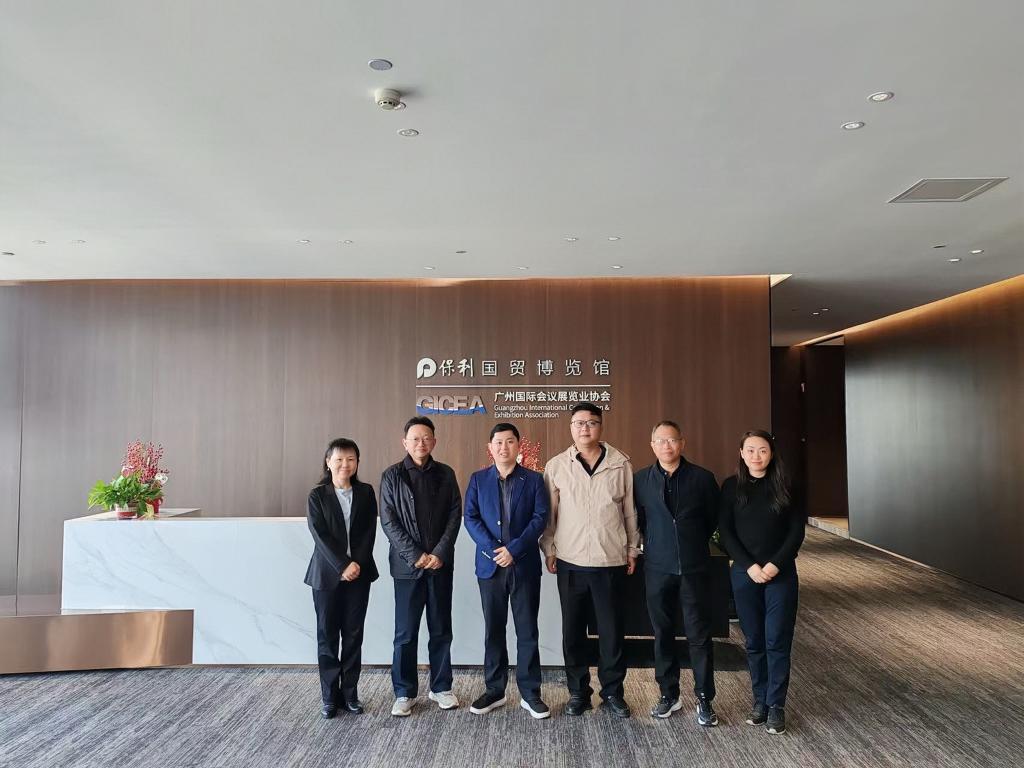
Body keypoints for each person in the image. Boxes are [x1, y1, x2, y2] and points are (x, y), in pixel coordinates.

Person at [540, 402, 639, 719]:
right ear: (571, 427)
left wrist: (632, 549)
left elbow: (630, 511)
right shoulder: (557, 466)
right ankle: (578, 692)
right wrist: (549, 549)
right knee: (573, 632)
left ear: (601, 427)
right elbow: (550, 515)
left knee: (612, 632)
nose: (585, 428)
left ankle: (612, 693)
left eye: (592, 422)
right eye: (579, 423)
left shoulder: (620, 464)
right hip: (570, 561)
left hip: (610, 560)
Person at [718, 429, 805, 735]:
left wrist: (773, 565)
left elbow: (796, 532)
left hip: (781, 574)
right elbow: (726, 532)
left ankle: (776, 705)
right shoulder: (731, 487)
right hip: (745, 574)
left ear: (772, 453)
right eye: (751, 450)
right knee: (754, 641)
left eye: (763, 450)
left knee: (777, 640)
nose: (756, 456)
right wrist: (750, 566)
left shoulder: (787, 486)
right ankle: (760, 702)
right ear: (741, 453)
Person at [634, 421, 720, 725]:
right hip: (657, 567)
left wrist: (689, 542)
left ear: (682, 443)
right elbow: (640, 520)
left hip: (694, 567)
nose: (666, 446)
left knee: (699, 635)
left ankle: (704, 698)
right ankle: (668, 694)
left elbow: (712, 519)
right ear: (652, 445)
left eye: (672, 440)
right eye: (660, 441)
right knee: (663, 633)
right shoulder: (640, 480)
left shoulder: (703, 478)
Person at [463, 423, 550, 719]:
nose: (504, 447)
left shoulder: (534, 480)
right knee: (494, 630)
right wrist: (494, 550)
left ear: (518, 446)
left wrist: (514, 549)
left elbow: (540, 518)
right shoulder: (478, 480)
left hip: (524, 565)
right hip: (490, 567)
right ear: (490, 448)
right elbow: (471, 518)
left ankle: (530, 693)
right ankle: (495, 690)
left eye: (510, 441)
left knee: (527, 631)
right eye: (498, 442)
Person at [379, 416, 463, 717]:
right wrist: (415, 555)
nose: (421, 443)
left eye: (426, 438)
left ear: (434, 441)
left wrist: (439, 552)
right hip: (407, 568)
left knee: (441, 629)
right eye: (415, 438)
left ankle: (441, 688)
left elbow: (455, 515)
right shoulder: (391, 476)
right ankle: (404, 692)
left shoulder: (446, 473)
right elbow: (389, 521)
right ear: (405, 442)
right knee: (405, 632)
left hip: (440, 565)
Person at [304, 437, 380, 719]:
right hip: (326, 577)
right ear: (328, 462)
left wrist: (355, 564)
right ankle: (329, 696)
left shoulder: (366, 492)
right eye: (339, 459)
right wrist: (342, 565)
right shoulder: (317, 495)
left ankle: (350, 694)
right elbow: (319, 534)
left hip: (359, 575)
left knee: (353, 636)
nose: (345, 464)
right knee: (327, 637)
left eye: (350, 459)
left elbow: (369, 532)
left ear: (357, 462)